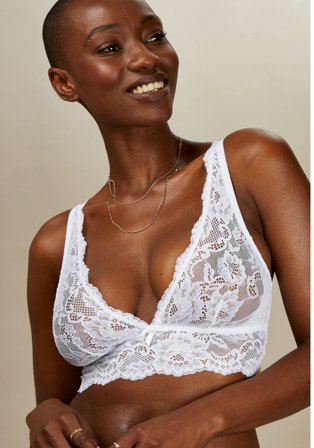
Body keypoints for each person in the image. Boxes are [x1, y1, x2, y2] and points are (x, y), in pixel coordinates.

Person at [26, 0, 310, 447]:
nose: (144, 57)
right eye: (109, 48)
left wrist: (201, 421)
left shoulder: (250, 165)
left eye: (154, 36)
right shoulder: (55, 243)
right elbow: (57, 402)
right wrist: (44, 412)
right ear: (64, 83)